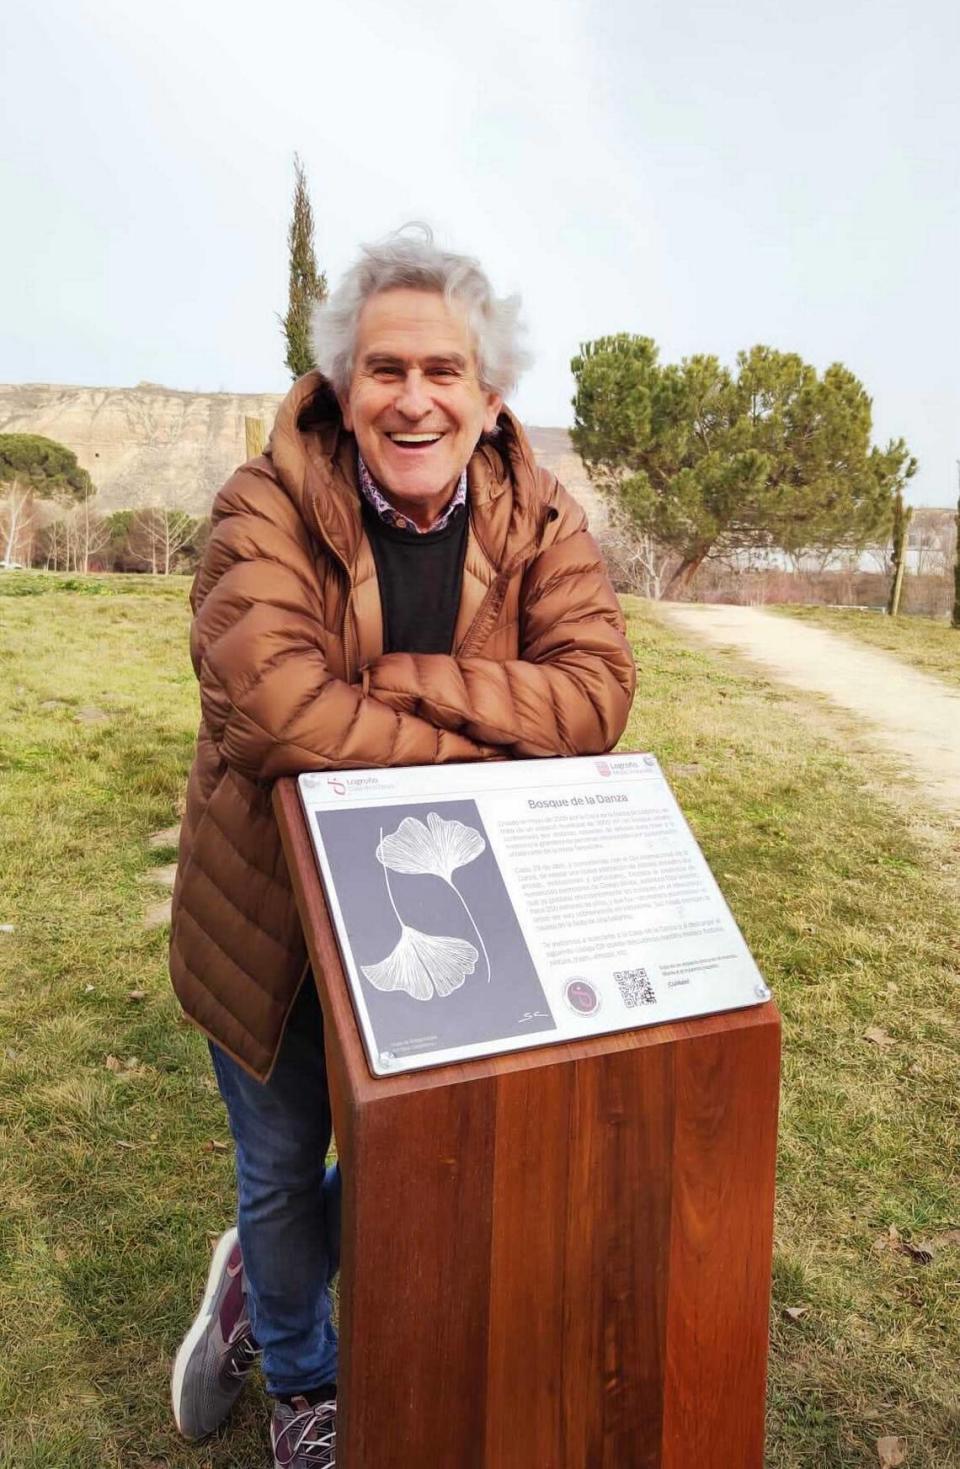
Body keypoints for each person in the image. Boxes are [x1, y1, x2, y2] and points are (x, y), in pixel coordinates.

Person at [168, 226, 636, 1467]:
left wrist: (400, 680)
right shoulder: (261, 502)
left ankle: (262, 1286)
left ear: (491, 398)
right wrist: (500, 729)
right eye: (386, 369)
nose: (414, 396)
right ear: (341, 386)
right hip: (267, 910)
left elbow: (595, 694)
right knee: (280, 1167)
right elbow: (280, 715)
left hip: (437, 900)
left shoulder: (539, 514)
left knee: (415, 1150)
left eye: (445, 371)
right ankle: (305, 1376)